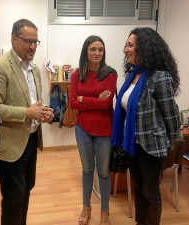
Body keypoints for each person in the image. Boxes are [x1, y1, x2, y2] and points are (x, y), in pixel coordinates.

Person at [0, 19, 54, 225]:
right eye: (28, 41)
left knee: (26, 189)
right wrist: (28, 113)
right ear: (14, 39)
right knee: (14, 197)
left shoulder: (35, 70)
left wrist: (43, 113)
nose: (32, 46)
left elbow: (33, 105)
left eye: (36, 42)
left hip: (30, 140)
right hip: (9, 145)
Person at [111, 27, 181, 225]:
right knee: (138, 189)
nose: (126, 49)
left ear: (145, 47)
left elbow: (172, 115)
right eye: (126, 44)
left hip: (152, 146)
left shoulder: (160, 77)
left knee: (150, 193)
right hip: (132, 144)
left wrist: (170, 142)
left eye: (130, 45)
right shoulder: (131, 75)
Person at [69, 35, 117, 225]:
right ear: (86, 51)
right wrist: (89, 100)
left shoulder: (110, 74)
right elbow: (73, 102)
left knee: (104, 172)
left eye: (100, 49)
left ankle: (105, 211)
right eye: (93, 49)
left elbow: (106, 104)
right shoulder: (76, 74)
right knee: (87, 170)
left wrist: (83, 99)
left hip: (105, 130)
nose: (97, 53)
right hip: (83, 129)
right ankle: (86, 207)